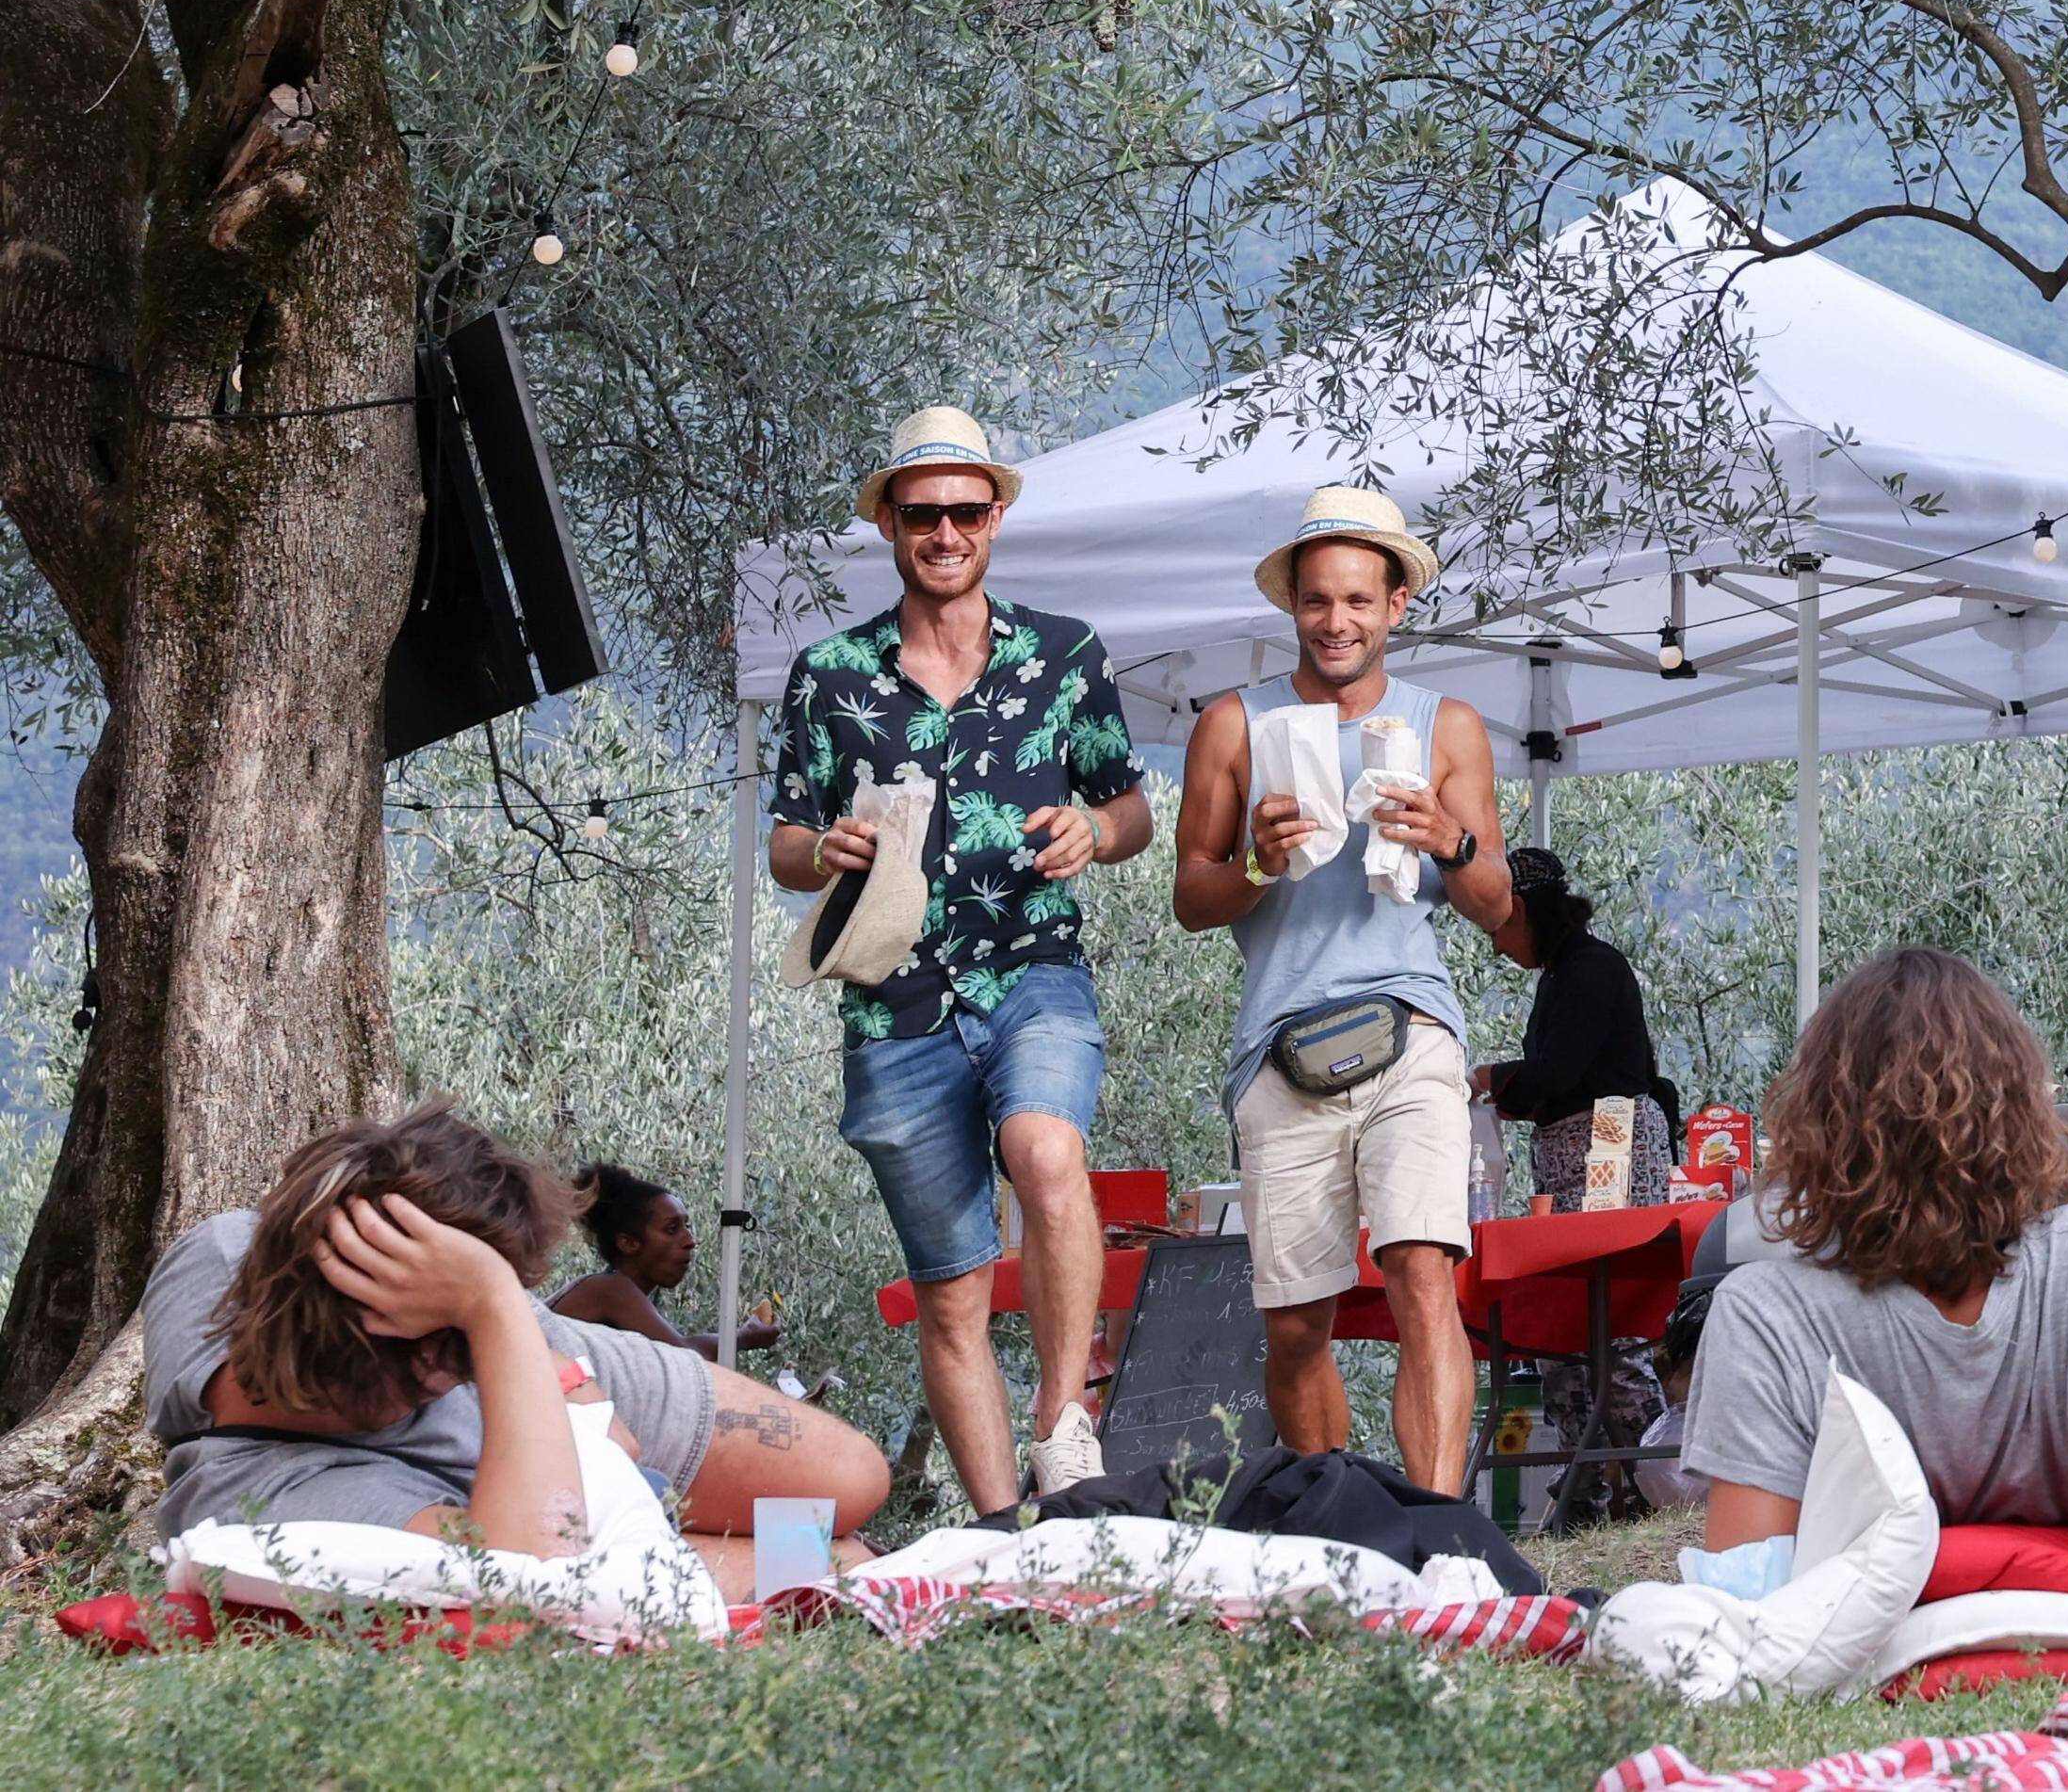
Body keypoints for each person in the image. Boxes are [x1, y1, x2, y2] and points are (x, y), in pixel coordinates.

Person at [771, 405, 1154, 1513]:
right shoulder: (829, 675)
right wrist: (822, 849)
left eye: (966, 511)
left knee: (1045, 1152)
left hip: (1032, 966)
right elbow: (787, 844)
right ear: (890, 524)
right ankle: (1001, 1537)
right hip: (891, 1011)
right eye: (923, 512)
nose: (946, 532)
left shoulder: (1064, 653)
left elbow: (1128, 808)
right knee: (948, 1300)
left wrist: (1098, 833)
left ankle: (1061, 1426)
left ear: (995, 519)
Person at [147, 1103, 887, 1591]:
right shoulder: (275, 1498)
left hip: (576, 1370)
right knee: (839, 1555)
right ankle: (710, 1545)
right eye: (455, 1348)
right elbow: (538, 1580)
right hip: (535, 1512)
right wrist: (492, 1314)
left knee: (852, 1481)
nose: (454, 1378)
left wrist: (553, 1365)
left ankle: (687, 1532)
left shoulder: (218, 1251)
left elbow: (615, 1440)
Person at [1175, 485, 1534, 1492]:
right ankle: (1342, 1531)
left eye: (1358, 602)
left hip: (1411, 1025)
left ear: (1396, 607)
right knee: (1295, 1325)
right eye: (1318, 602)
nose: (1337, 622)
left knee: (1424, 1272)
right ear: (1293, 605)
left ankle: (1441, 1530)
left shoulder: (1445, 725)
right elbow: (1191, 900)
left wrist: (1448, 840)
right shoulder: (1232, 726)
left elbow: (1498, 903)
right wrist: (1253, 862)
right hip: (1280, 1042)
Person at [1687, 948, 2068, 1569]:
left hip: (1869, 1633)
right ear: (2027, 1107)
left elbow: (1747, 1610)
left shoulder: (1764, 1317)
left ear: (1817, 1128)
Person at [1478, 850, 1681, 1206]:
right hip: (1571, 1161)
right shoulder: (1556, 976)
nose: (1497, 948)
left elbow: (1557, 1073)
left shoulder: (1592, 969)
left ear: (1519, 909)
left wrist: (1487, 1077)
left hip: (1612, 1149)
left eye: (1495, 930)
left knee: (1608, 1254)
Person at [553, 1166, 783, 1362]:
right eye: (671, 1229)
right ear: (628, 1243)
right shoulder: (609, 1290)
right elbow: (682, 1357)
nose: (691, 1241)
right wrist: (743, 1337)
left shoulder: (617, 1292)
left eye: (687, 1226)